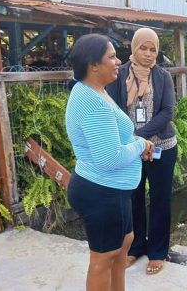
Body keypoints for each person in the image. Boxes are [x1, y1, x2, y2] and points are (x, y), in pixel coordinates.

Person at [65, 34, 154, 291]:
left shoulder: (96, 91)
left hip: (114, 190)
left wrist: (137, 142)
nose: (118, 61)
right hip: (101, 190)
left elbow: (114, 138)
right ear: (93, 65)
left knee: (124, 244)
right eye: (112, 57)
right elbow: (109, 157)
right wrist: (140, 145)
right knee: (103, 258)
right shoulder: (93, 103)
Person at [107, 28, 177, 275]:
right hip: (130, 149)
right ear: (134, 49)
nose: (148, 54)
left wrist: (141, 137)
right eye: (143, 48)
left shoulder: (163, 76)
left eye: (153, 49)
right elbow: (114, 110)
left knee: (160, 199)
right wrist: (134, 142)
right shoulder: (119, 75)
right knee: (133, 198)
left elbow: (168, 111)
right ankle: (135, 247)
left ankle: (157, 251)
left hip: (162, 148)